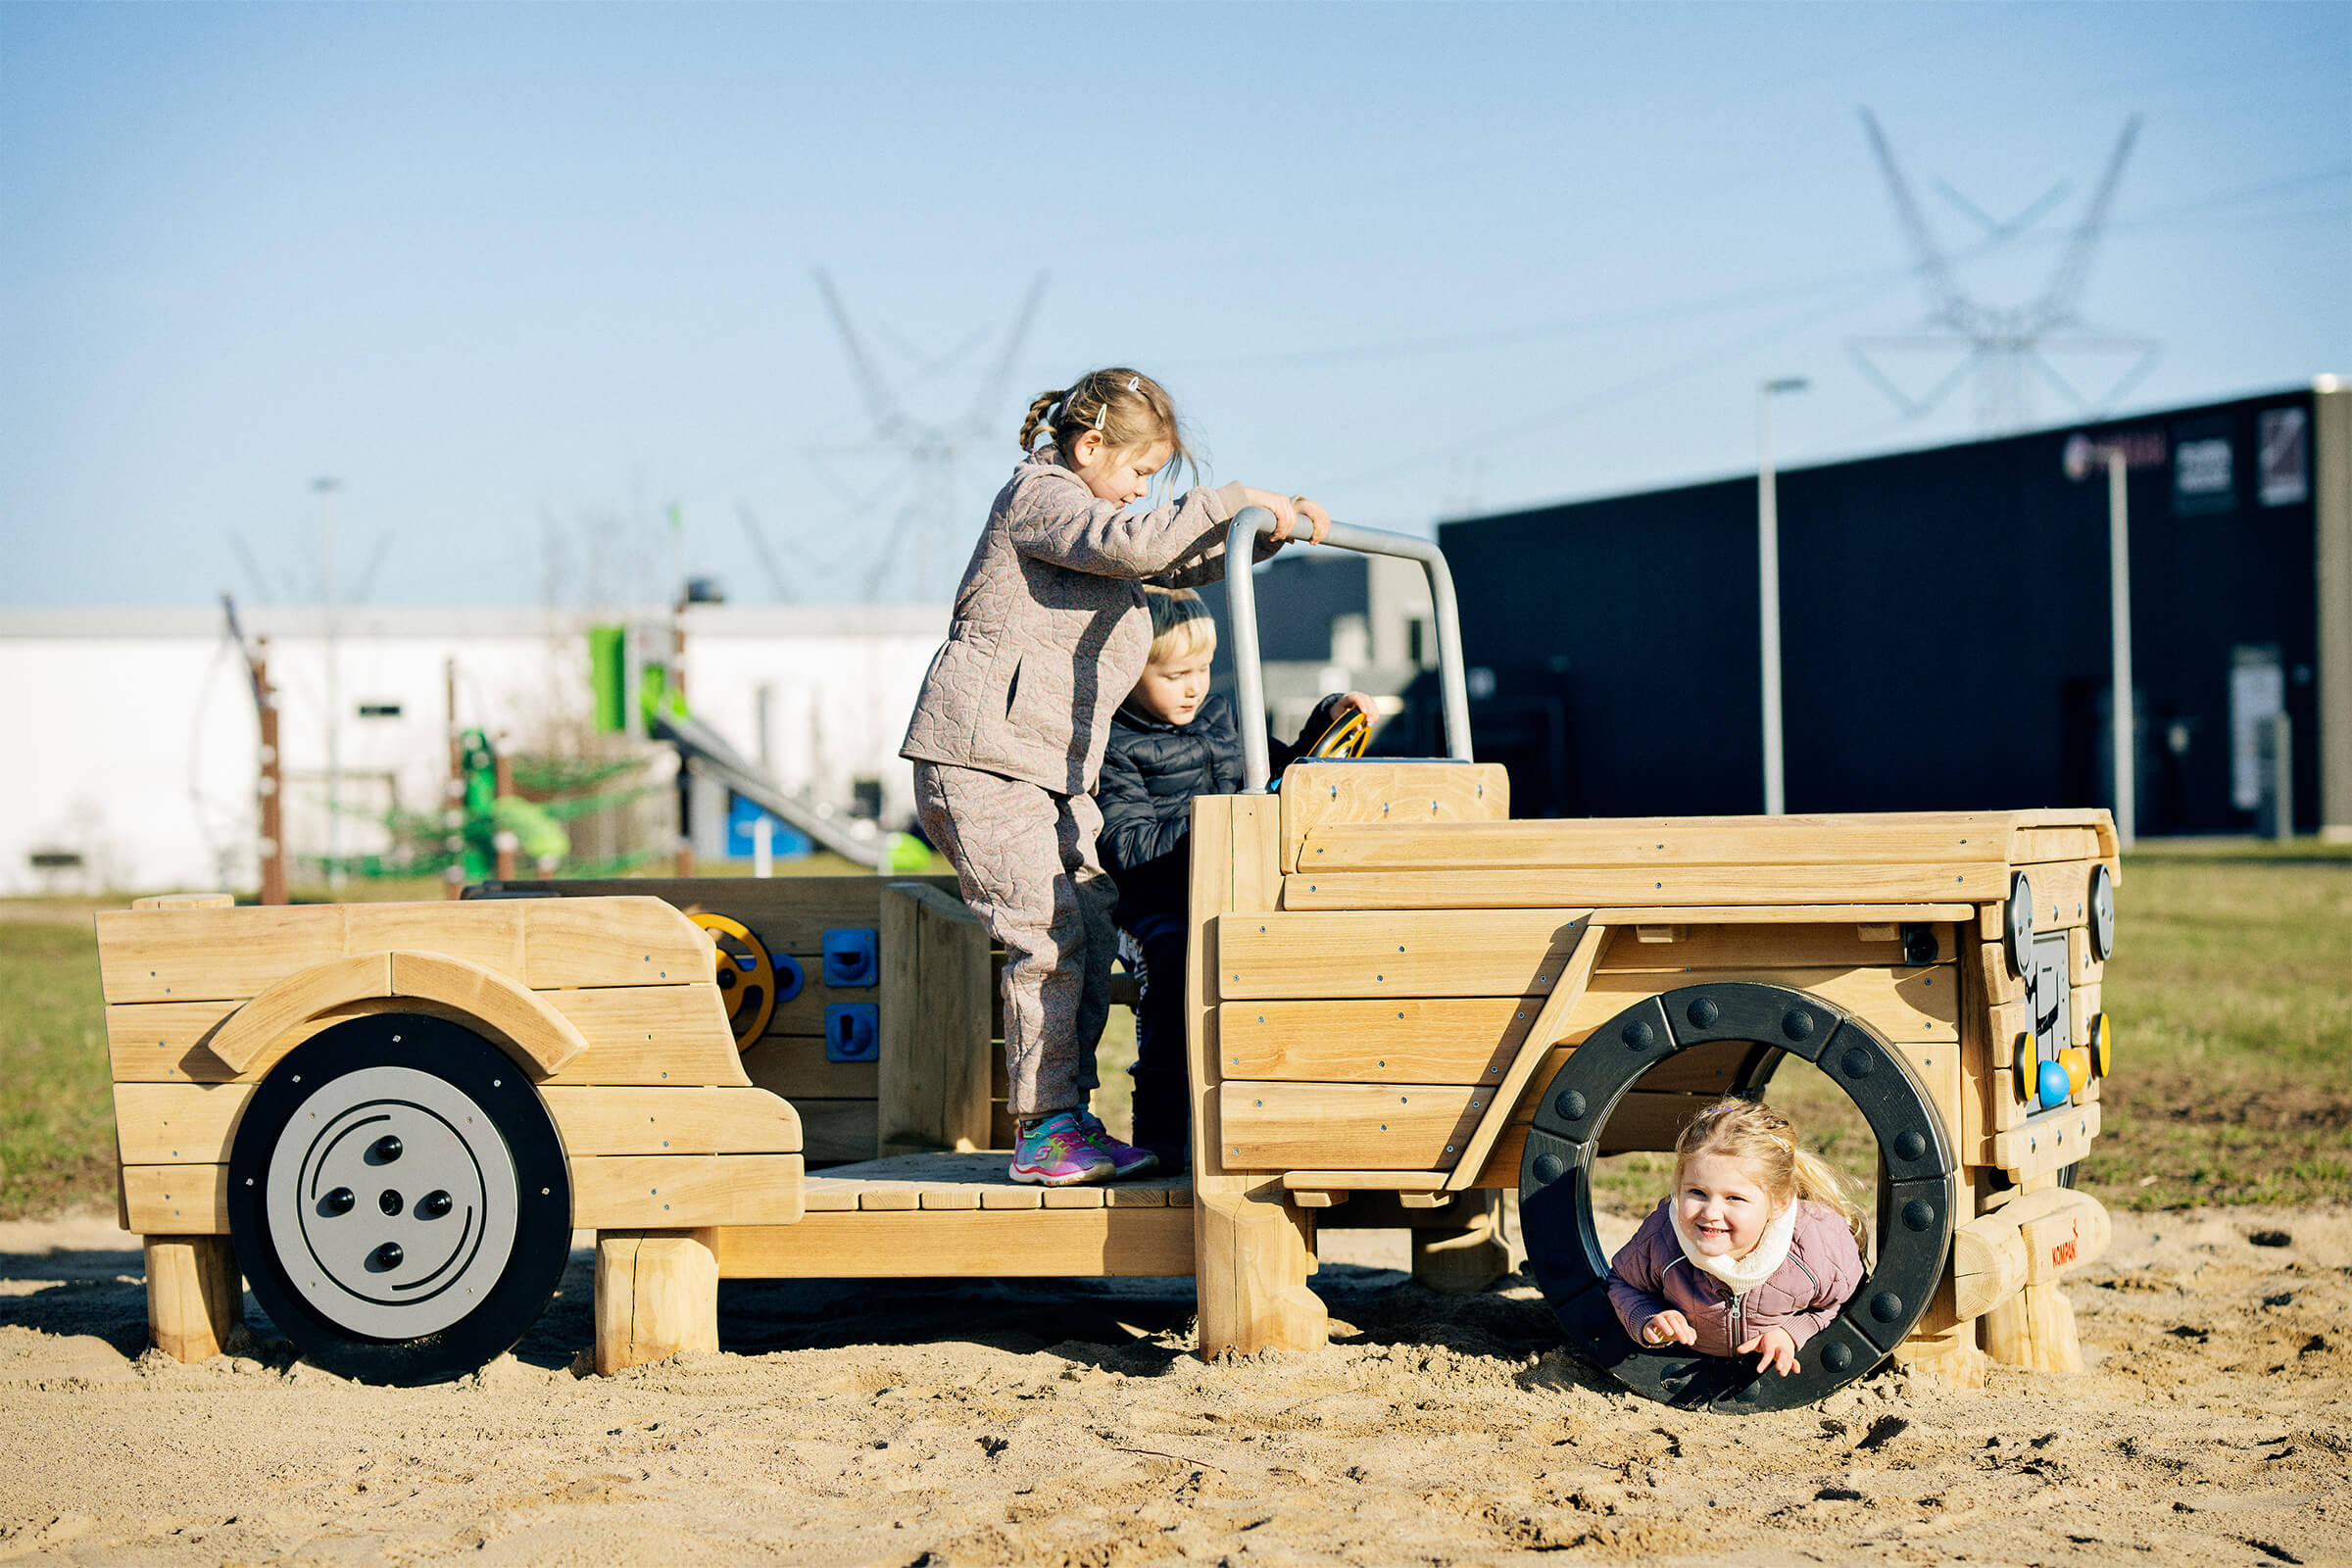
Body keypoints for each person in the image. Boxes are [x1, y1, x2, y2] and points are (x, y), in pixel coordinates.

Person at [901, 367, 1328, 1186]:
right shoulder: (1040, 498)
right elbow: (1130, 543)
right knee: (1046, 932)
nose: (1140, 493)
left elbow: (1174, 561)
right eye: (1138, 474)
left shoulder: (1095, 529)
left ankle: (1066, 1115)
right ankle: (1043, 1128)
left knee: (1092, 927)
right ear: (1089, 445)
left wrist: (1267, 532)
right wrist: (1233, 496)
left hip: (1047, 771)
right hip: (980, 760)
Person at [1097, 587, 1370, 1171]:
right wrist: (1217, 826)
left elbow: (1281, 773)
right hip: (1154, 910)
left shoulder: (1224, 718)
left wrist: (1329, 718)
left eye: (1201, 670)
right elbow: (1126, 846)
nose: (1193, 686)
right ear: (1129, 673)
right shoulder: (1115, 746)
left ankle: (1287, 1122)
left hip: (1234, 897)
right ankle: (1163, 1138)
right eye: (1174, 675)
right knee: (1175, 963)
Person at [1604, 1098, 1868, 1376]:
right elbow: (1623, 1283)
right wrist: (1650, 1318)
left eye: (1734, 1198)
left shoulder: (1815, 1246)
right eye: (1697, 1192)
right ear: (1679, 1186)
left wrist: (1791, 1332)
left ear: (1778, 1203)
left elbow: (1845, 1302)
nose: (1711, 1212)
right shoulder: (1663, 1237)